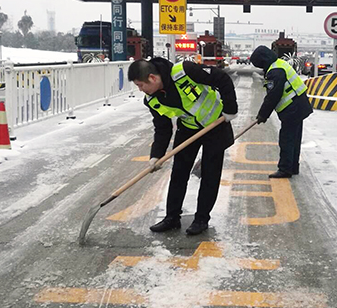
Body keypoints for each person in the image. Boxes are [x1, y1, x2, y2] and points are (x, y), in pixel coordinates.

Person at [128, 57, 238, 235]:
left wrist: (230, 109)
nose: (141, 90)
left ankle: (201, 219)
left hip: (216, 125)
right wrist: (156, 156)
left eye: (141, 85)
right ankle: (172, 217)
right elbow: (162, 129)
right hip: (188, 129)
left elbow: (222, 78)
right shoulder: (152, 100)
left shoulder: (184, 71)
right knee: (179, 173)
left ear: (153, 78)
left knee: (210, 175)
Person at [249, 46, 313, 178]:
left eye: (260, 65)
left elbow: (273, 96)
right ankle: (293, 166)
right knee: (294, 138)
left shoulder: (275, 71)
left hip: (292, 107)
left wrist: (262, 115)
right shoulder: (279, 64)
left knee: (287, 139)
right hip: (299, 104)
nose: (261, 68)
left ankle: (285, 169)